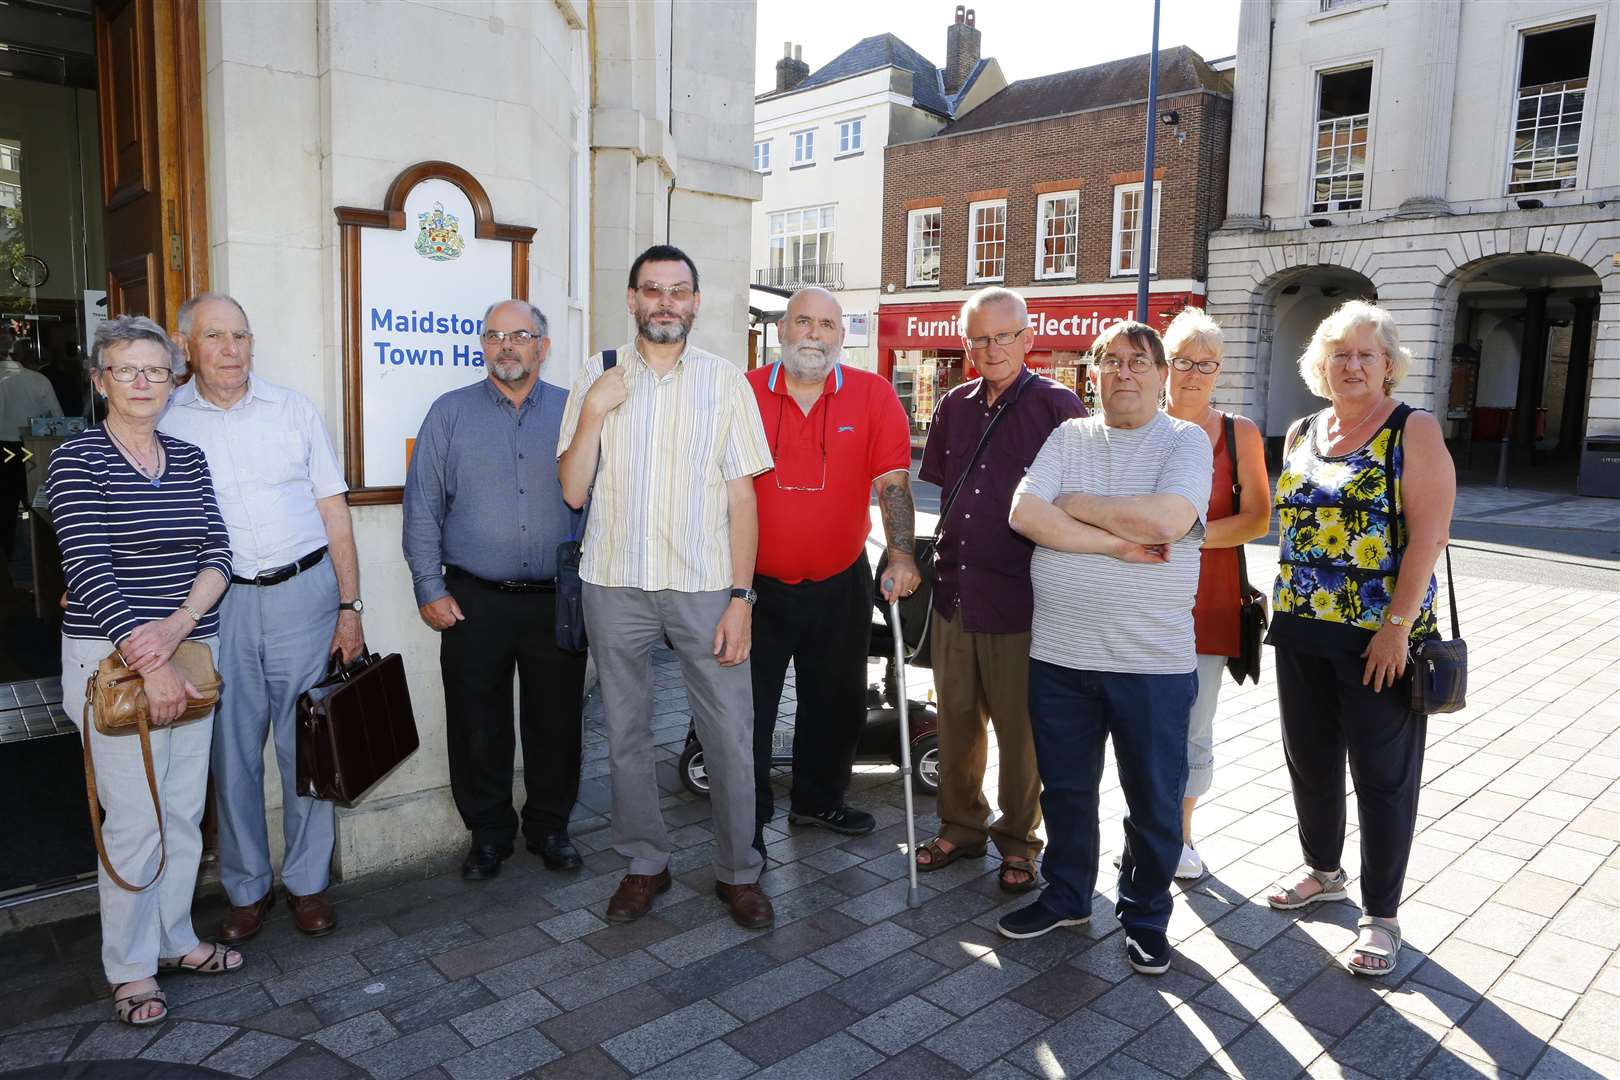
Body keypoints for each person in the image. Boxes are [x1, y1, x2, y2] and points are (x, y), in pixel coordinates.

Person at [557, 245, 775, 929]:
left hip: (704, 585)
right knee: (623, 732)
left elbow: (743, 501)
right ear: (631, 299)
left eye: (679, 291)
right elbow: (571, 490)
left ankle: (739, 872)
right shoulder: (598, 374)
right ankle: (644, 864)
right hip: (613, 581)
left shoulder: (725, 381)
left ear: (696, 302)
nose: (665, 303)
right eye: (652, 290)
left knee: (730, 734)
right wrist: (594, 411)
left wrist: (742, 599)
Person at [1001, 320, 1211, 976]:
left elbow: (1169, 521)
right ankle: (1066, 895)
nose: (1124, 373)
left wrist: (1078, 503)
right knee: (1065, 790)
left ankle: (1145, 915)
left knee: (1152, 800)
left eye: (1138, 362)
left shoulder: (1186, 440)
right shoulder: (1068, 435)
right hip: (1060, 655)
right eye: (1110, 362)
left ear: (1161, 375)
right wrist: (1114, 543)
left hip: (1150, 662)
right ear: (1092, 374)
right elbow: (1025, 514)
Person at [47, 315, 237, 1026]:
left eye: (156, 370)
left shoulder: (188, 458)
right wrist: (144, 655)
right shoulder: (75, 463)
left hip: (189, 654)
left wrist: (178, 628)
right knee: (134, 820)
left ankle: (175, 937)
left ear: (172, 380)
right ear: (99, 381)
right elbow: (88, 569)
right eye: (125, 369)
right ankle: (128, 968)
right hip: (111, 666)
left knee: (184, 811)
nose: (142, 383)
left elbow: (220, 554)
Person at [161, 293, 363, 942]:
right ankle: (248, 889)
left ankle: (307, 884)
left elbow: (335, 515)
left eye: (241, 336)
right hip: (217, 607)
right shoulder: (165, 420)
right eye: (215, 336)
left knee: (305, 744)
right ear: (187, 344)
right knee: (232, 753)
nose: (231, 350)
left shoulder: (293, 410)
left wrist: (350, 607)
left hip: (305, 596)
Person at [1263, 300, 1455, 978]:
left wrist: (1397, 629)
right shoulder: (1301, 430)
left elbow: (1429, 535)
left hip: (1378, 635)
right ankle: (1322, 870)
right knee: (1309, 760)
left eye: (1364, 354)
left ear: (1387, 365)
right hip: (1300, 626)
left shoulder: (1413, 429)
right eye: (1339, 353)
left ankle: (1382, 915)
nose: (1350, 364)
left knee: (1381, 776)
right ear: (1321, 362)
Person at [404, 299, 587, 880]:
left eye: (520, 335)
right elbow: (422, 508)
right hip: (472, 599)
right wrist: (429, 586)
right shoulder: (449, 414)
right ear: (482, 346)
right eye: (493, 336)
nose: (506, 346)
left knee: (556, 721)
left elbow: (605, 499)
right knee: (476, 722)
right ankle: (488, 834)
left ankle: (550, 827)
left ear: (543, 345)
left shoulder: (573, 412)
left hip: (557, 599)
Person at [913, 287, 1084, 895]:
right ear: (966, 345)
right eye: (980, 337)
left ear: (1028, 338)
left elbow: (1078, 502)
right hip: (955, 590)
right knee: (956, 720)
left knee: (1020, 730)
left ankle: (1019, 843)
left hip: (1023, 598)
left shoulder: (1059, 407)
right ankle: (960, 826)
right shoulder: (954, 406)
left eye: (1004, 335)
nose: (992, 348)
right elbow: (938, 489)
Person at [745, 287, 918, 853]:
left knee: (837, 700)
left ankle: (818, 801)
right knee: (747, 705)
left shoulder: (872, 396)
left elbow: (892, 483)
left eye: (826, 324)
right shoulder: (742, 394)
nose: (813, 334)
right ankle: (746, 811)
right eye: (802, 322)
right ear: (781, 331)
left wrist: (900, 555)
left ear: (842, 336)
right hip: (752, 586)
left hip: (840, 580)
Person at [1158, 308, 1270, 878]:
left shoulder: (1238, 433)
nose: (1194, 374)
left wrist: (1188, 537)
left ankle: (1180, 835)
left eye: (1207, 364)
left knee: (1195, 721)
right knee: (1141, 722)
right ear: (1164, 364)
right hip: (1143, 597)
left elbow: (1257, 519)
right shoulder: (1137, 423)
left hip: (1209, 599)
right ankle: (1144, 828)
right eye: (1183, 362)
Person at [1, 327, 63, 556]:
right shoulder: (38, 380)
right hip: (29, 449)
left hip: (3, 448)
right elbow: (58, 419)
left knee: (4, 511)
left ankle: (6, 567)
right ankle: (40, 561)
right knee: (37, 508)